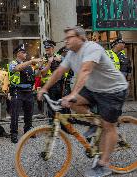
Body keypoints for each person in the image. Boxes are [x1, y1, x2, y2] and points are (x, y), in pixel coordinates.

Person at [38, 26, 128, 177]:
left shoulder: (92, 48)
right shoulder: (71, 54)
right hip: (94, 89)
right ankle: (95, 122)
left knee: (108, 125)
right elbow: (59, 72)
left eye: (69, 37)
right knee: (74, 103)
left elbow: (86, 70)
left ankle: (104, 165)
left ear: (81, 38)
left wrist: (72, 93)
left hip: (113, 90)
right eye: (65, 38)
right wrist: (44, 88)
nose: (66, 40)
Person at [8, 44, 42, 143]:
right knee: (15, 113)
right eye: (23, 52)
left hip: (28, 91)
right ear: (18, 53)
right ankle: (13, 133)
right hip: (17, 91)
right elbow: (17, 69)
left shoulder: (29, 66)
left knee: (29, 112)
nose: (25, 54)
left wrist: (39, 68)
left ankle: (28, 129)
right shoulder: (13, 63)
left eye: (25, 52)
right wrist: (31, 61)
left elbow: (36, 76)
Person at [40, 40, 64, 119]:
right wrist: (49, 63)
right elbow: (43, 73)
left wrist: (61, 61)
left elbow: (67, 68)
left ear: (52, 48)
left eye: (49, 48)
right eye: (46, 48)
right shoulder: (43, 59)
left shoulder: (59, 57)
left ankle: (62, 126)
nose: (47, 49)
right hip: (49, 87)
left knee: (60, 106)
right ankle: (52, 125)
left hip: (59, 85)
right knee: (51, 108)